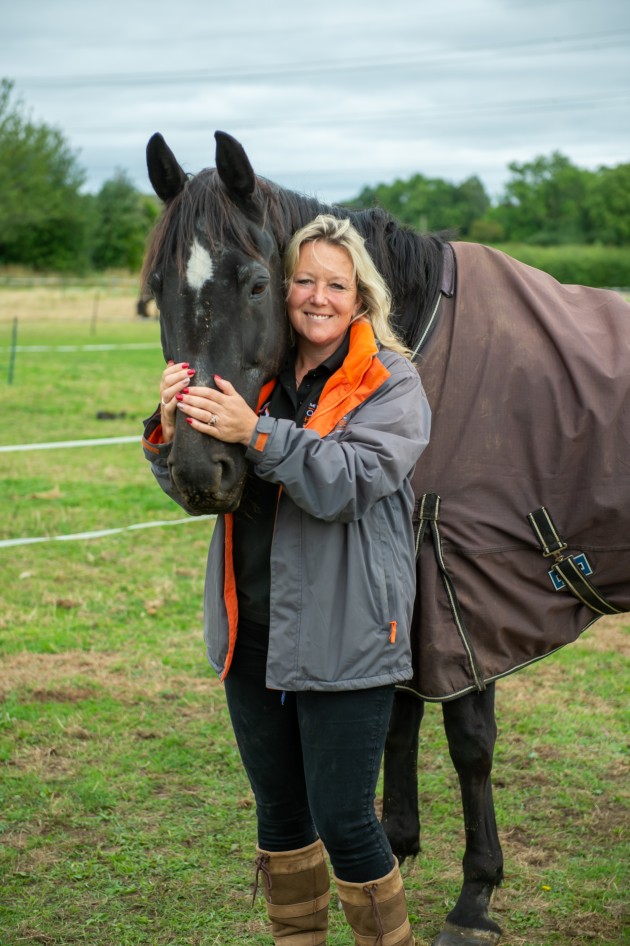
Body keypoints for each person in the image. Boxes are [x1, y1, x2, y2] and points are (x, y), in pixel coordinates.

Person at [143, 215, 431, 946]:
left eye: (337, 283)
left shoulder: (390, 381)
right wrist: (175, 432)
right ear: (281, 289)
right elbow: (199, 491)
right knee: (279, 820)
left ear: (361, 296)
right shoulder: (256, 380)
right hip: (255, 636)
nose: (318, 296)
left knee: (343, 820)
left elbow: (351, 484)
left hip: (349, 639)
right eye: (304, 279)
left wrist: (257, 434)